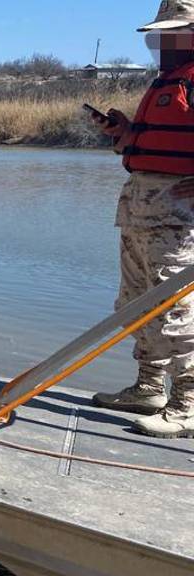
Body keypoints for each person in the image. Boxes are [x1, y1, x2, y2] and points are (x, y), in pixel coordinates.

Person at [91, 0, 194, 438]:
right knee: (136, 302)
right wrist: (125, 132)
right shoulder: (166, 81)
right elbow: (154, 145)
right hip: (140, 209)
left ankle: (188, 403)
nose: (164, 42)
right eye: (162, 34)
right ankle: (149, 388)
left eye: (175, 33)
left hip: (177, 218)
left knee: (179, 308)